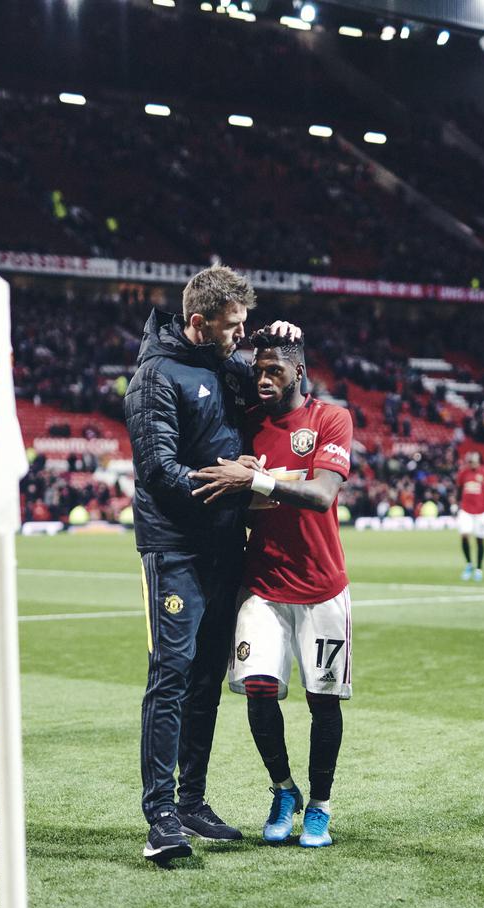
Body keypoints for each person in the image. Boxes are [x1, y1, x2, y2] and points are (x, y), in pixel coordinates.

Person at [124, 265, 265, 865]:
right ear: (198, 322)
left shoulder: (228, 367)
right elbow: (157, 470)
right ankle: (159, 813)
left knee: (208, 675)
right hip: (174, 547)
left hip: (224, 547)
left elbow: (279, 397)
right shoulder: (154, 377)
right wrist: (236, 484)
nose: (241, 335)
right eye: (232, 326)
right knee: (173, 672)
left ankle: (192, 801)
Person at [192, 326, 352, 849]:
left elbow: (323, 495)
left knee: (322, 700)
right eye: (257, 370)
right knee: (259, 690)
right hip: (261, 584)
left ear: (298, 372)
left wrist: (256, 481)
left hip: (322, 586)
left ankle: (321, 807)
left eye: (274, 370)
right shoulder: (247, 424)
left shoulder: (331, 418)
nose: (262, 378)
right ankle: (283, 790)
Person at [455, 450, 484, 581]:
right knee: (464, 535)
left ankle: (479, 568)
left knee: (480, 539)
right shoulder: (463, 473)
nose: (472, 463)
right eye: (470, 461)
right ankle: (469, 564)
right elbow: (459, 490)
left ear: (479, 461)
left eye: (474, 461)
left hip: (481, 511)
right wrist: (457, 505)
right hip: (466, 510)